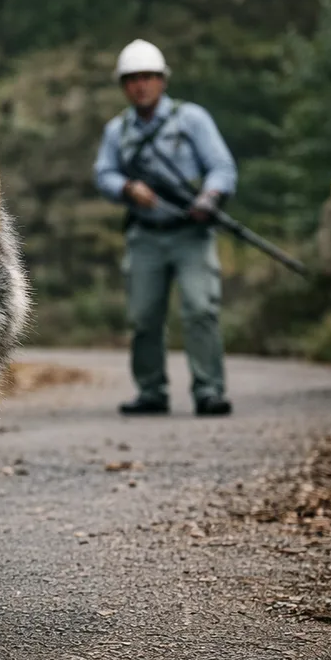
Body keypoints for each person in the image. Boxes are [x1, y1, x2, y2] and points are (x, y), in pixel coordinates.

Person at [93, 39, 237, 417]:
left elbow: (222, 166)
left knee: (200, 308)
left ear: (163, 81)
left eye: (148, 77)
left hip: (191, 232)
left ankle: (209, 390)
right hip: (145, 235)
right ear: (124, 86)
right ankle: (151, 391)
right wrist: (127, 188)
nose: (140, 85)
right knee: (144, 316)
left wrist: (210, 196)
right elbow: (103, 173)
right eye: (132, 79)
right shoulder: (117, 131)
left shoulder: (191, 119)